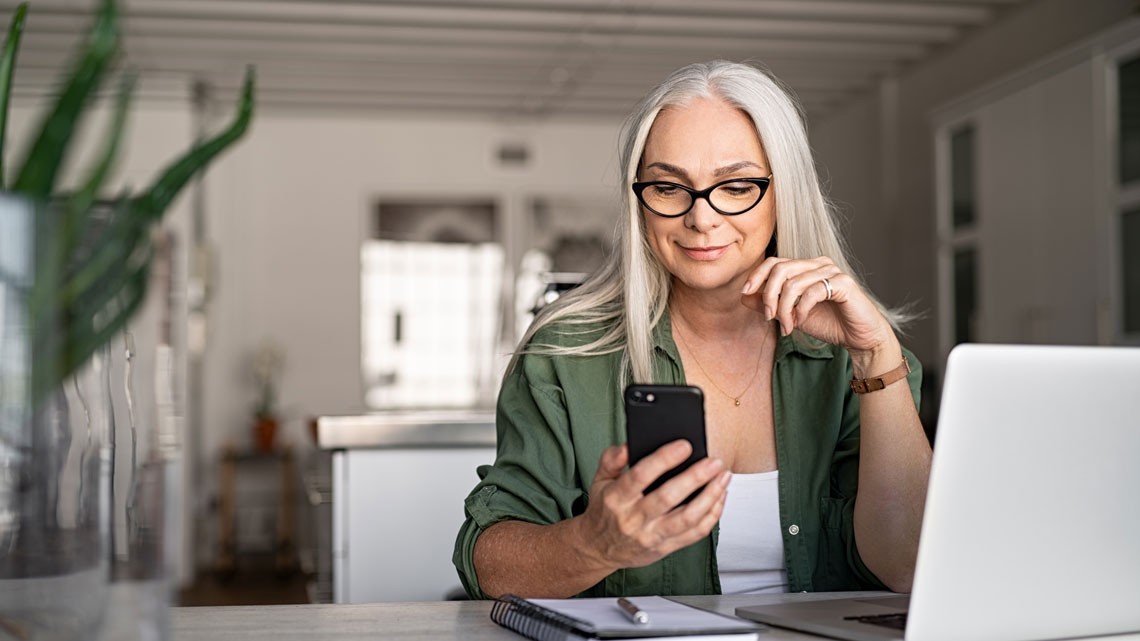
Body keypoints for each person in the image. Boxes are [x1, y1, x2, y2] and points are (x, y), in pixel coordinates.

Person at [453, 60, 932, 599]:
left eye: (735, 186)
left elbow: (909, 566)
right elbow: (489, 565)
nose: (701, 218)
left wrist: (876, 358)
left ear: (783, 192)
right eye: (668, 187)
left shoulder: (862, 360)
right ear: (640, 203)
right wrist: (595, 544)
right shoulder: (566, 353)